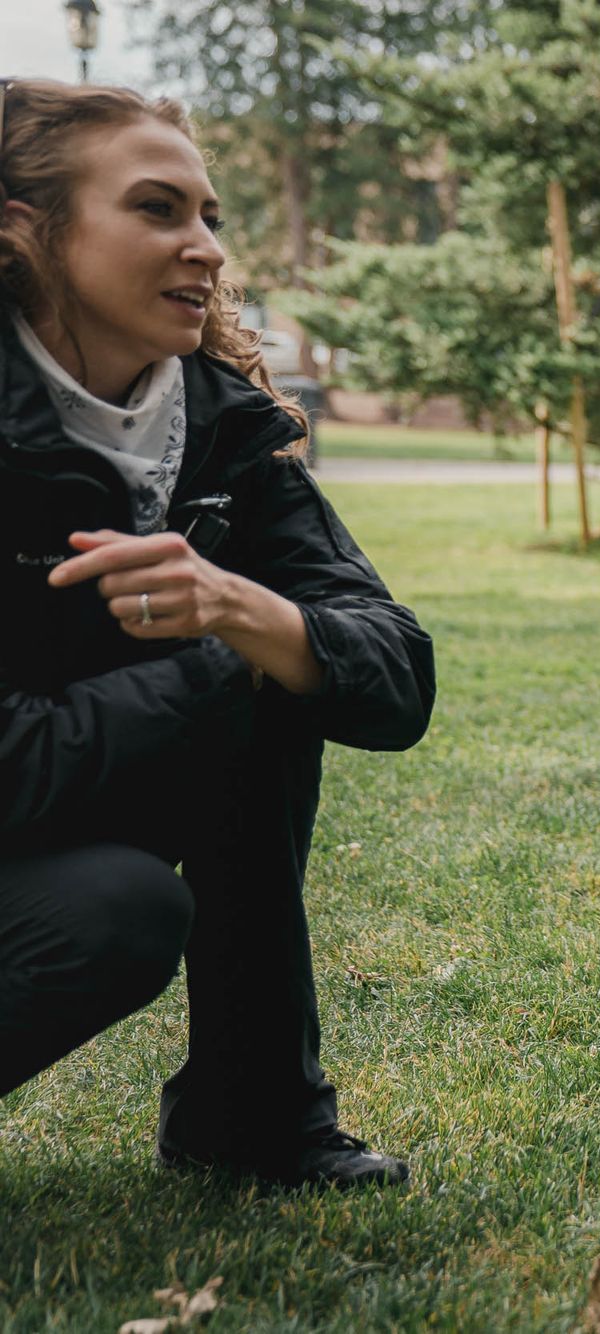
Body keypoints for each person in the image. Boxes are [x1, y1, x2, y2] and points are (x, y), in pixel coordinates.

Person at [0, 80, 435, 1187]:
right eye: (157, 210)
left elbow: (397, 677)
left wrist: (244, 613)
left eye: (211, 218)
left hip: (80, 800)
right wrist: (220, 663)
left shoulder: (224, 423)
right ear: (24, 234)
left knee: (278, 661)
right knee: (122, 899)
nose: (204, 249)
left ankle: (253, 1118)